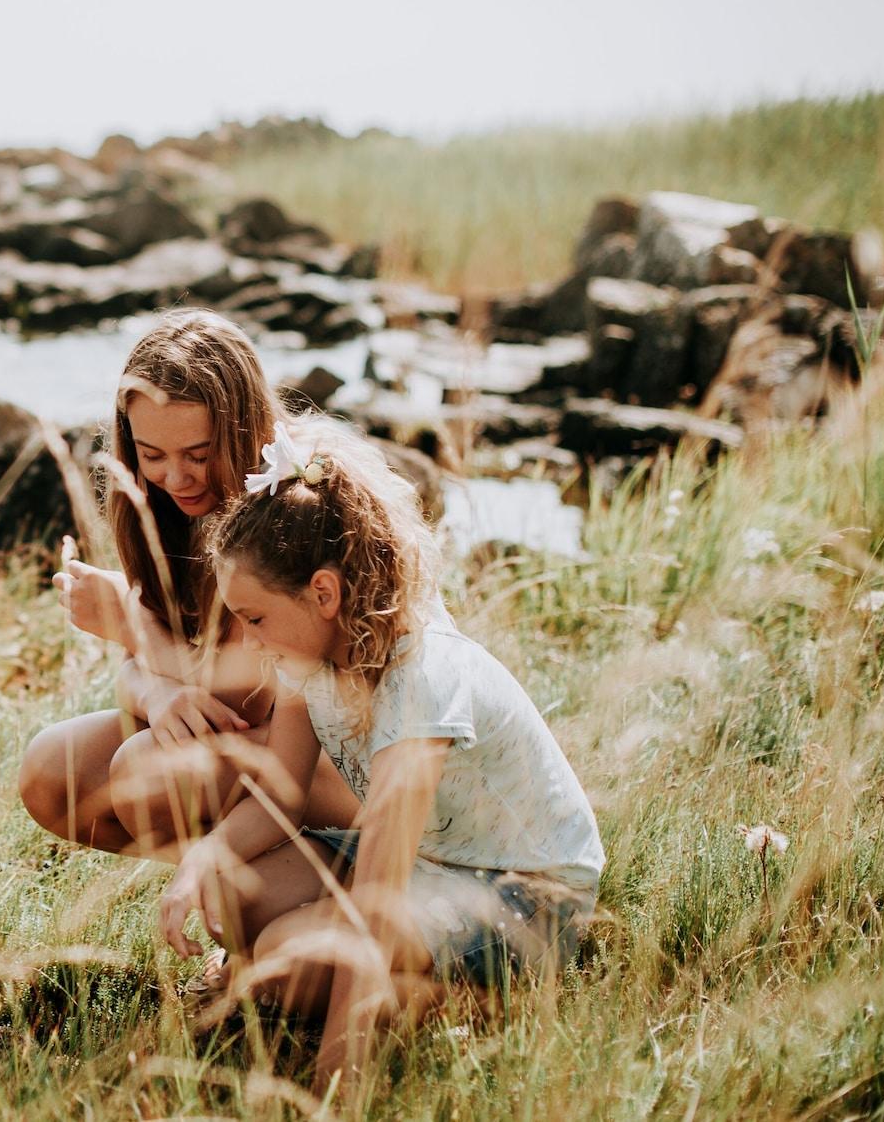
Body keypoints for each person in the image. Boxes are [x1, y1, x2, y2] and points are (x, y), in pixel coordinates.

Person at [157, 415, 605, 1087]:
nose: (248, 642)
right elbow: (279, 790)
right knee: (235, 893)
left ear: (325, 593)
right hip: (430, 862)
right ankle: (379, 984)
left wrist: (336, 1081)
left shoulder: (419, 680)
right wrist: (202, 858)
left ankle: (469, 1002)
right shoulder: (310, 657)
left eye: (254, 617)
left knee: (285, 954)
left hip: (524, 896)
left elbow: (378, 899)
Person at [16, 309, 359, 857]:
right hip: (261, 747)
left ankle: (292, 882)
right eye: (152, 455)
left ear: (244, 429)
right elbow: (146, 673)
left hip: (348, 761)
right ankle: (244, 877)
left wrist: (135, 627)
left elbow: (245, 698)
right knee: (52, 772)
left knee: (149, 774)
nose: (175, 478)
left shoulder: (294, 498)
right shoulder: (169, 509)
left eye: (198, 456)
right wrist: (160, 691)